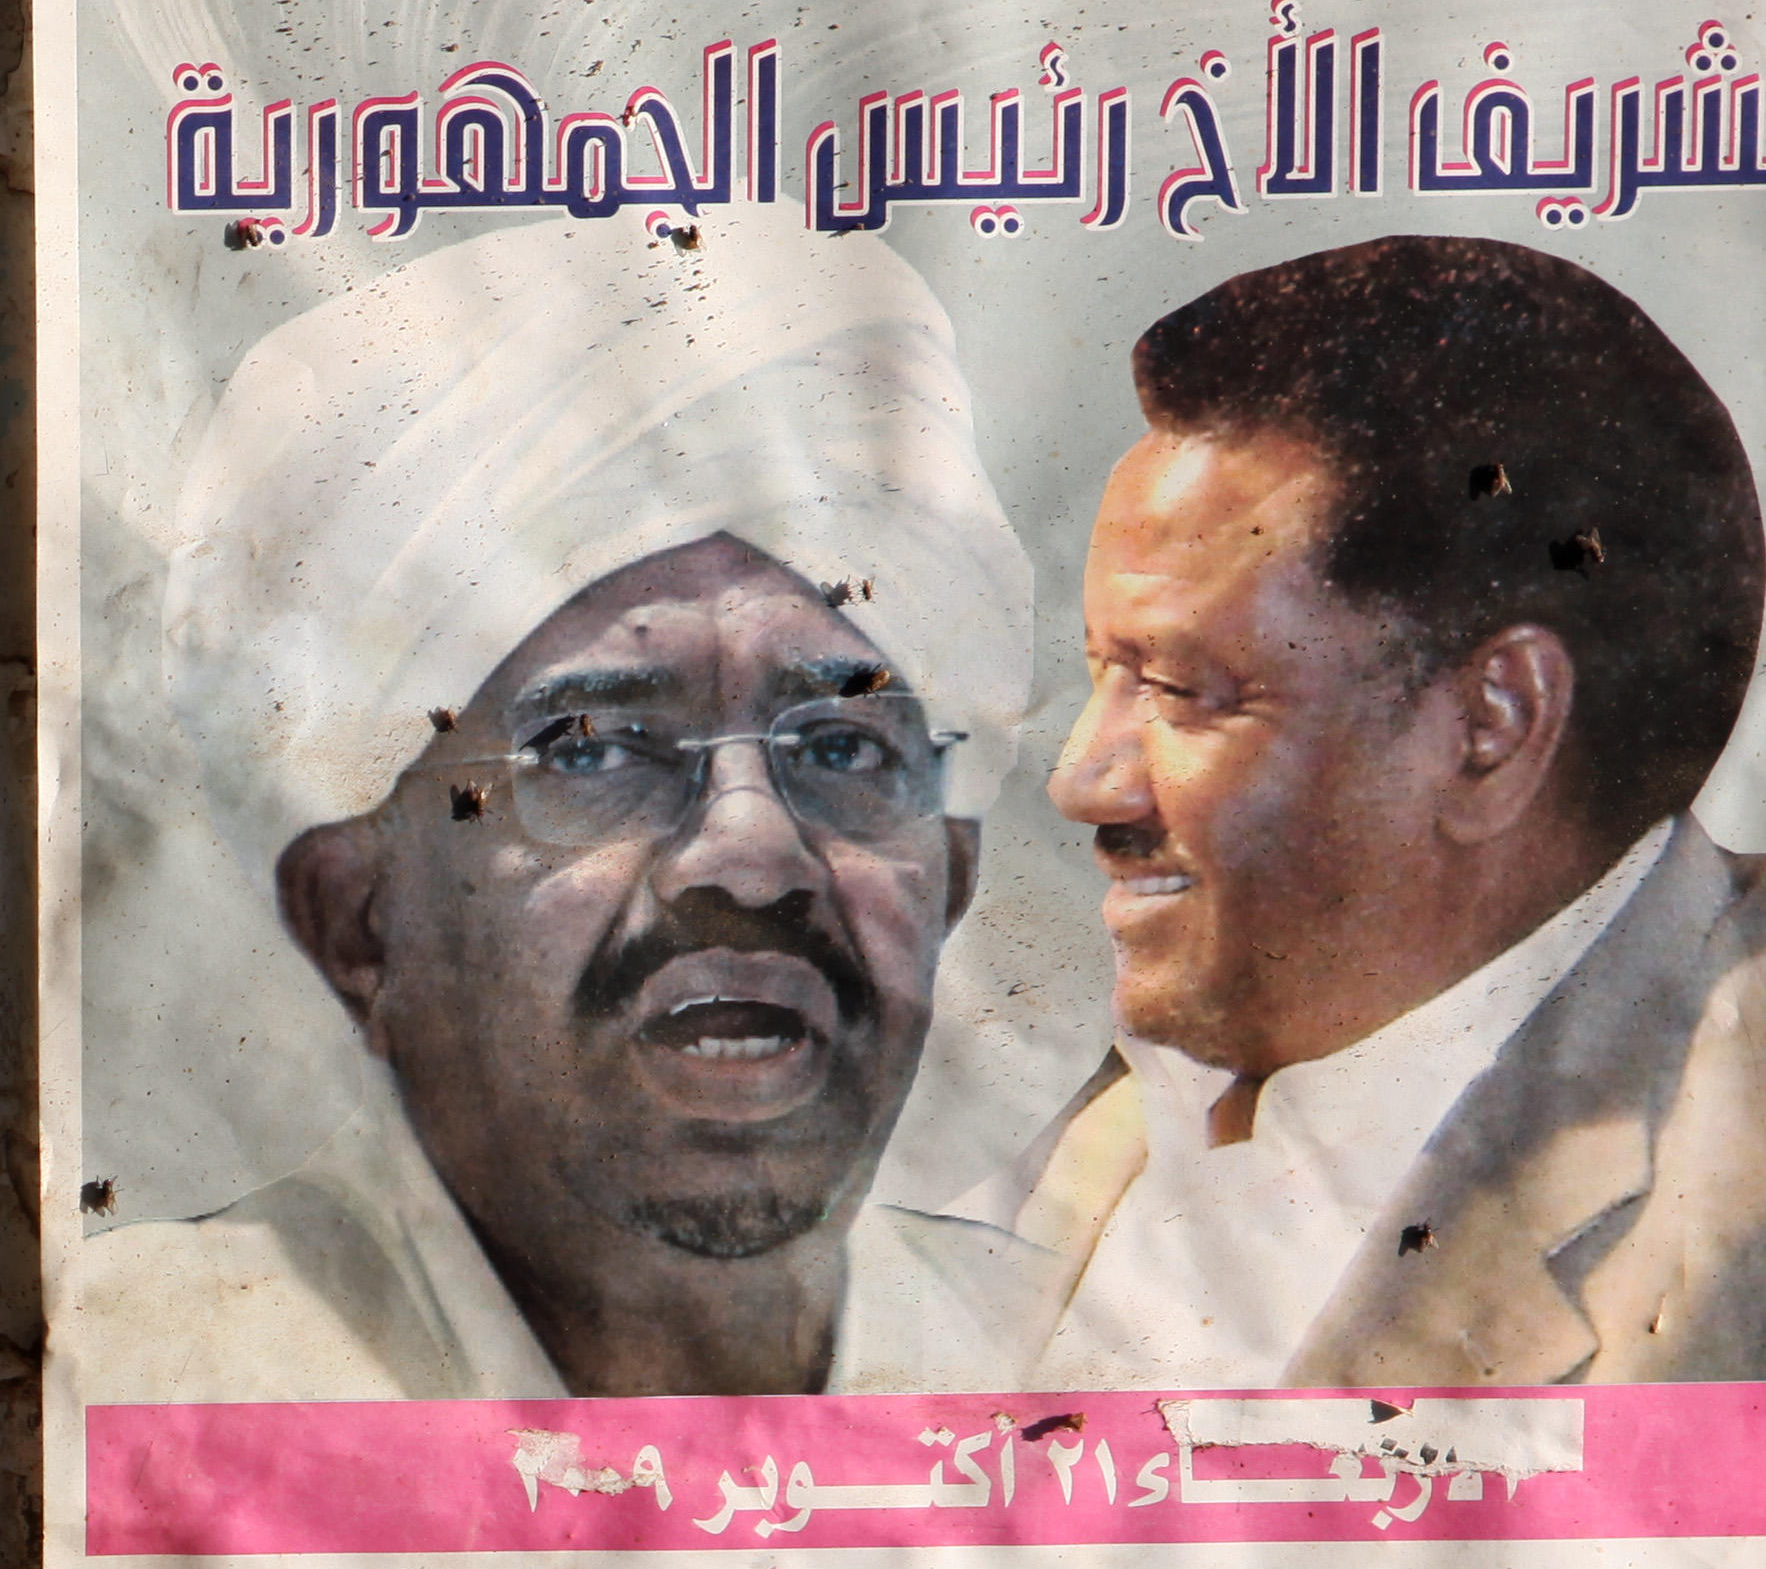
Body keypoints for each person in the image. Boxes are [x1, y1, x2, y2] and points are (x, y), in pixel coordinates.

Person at [72, 225, 1053, 1401]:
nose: (751, 856)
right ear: (359, 927)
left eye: (843, 748)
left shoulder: (1072, 1362)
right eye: (594, 753)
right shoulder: (136, 1395)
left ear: (952, 879)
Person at [980, 232, 1766, 1387]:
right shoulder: (1109, 1130)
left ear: (1493, 724)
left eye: (1182, 690)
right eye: (1101, 675)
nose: (1082, 779)